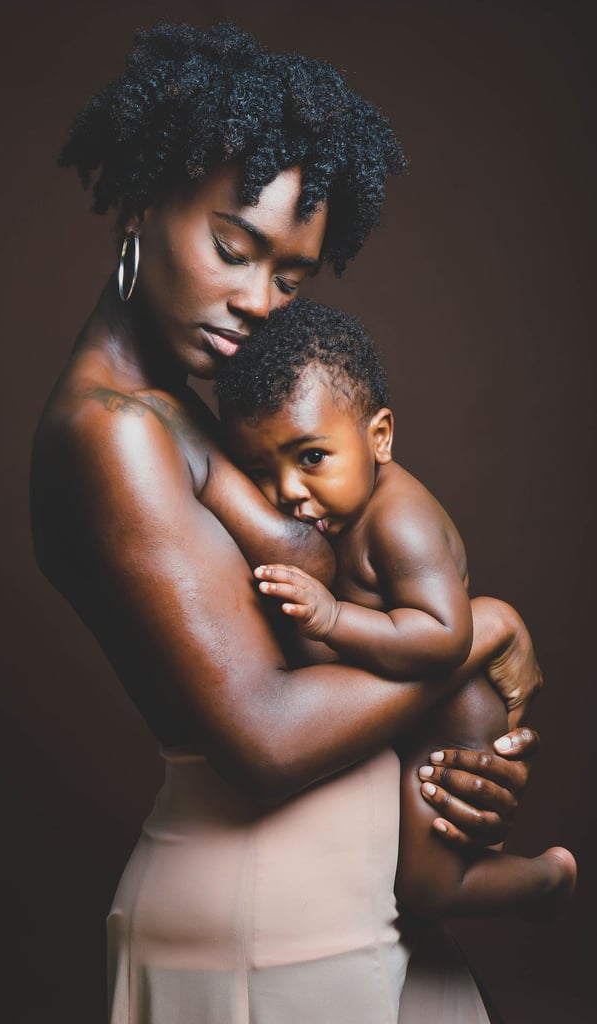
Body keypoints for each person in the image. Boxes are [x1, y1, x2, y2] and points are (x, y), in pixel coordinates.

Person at [31, 21, 542, 1024]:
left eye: (291, 277)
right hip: (264, 925)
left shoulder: (198, 412)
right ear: (140, 204)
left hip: (348, 910)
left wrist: (452, 770)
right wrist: (476, 631)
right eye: (232, 248)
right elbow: (262, 736)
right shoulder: (113, 434)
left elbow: (339, 632)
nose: (257, 302)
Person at [216, 297, 577, 924]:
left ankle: (549, 877)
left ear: (378, 436)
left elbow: (444, 635)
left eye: (310, 457)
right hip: (402, 711)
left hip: (451, 721)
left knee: (426, 890)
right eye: (260, 469)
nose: (287, 491)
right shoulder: (336, 509)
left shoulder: (399, 519)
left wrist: (331, 619)